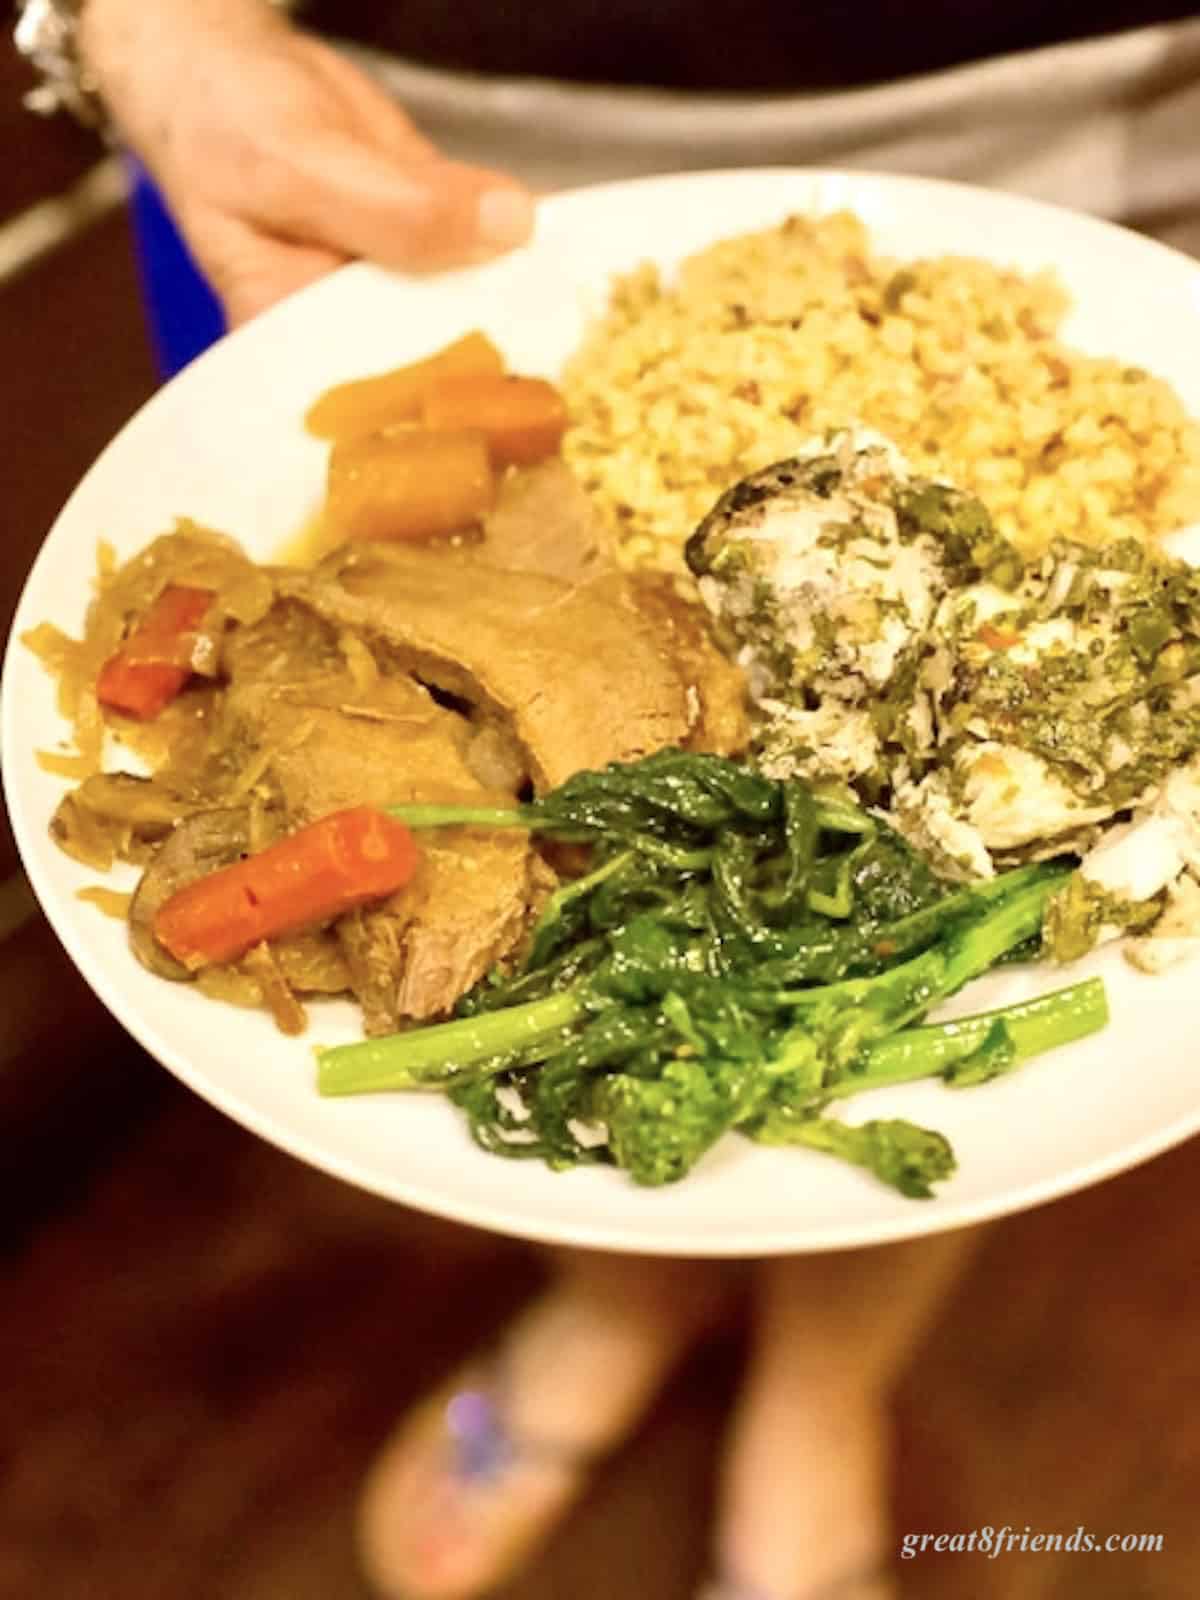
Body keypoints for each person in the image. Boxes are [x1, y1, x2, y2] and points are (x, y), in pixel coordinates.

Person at [21, 2, 1200, 1596]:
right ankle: (617, 1302)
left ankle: (820, 1380)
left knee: (966, 1077)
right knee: (584, 1054)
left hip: (1086, 157)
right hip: (404, 164)